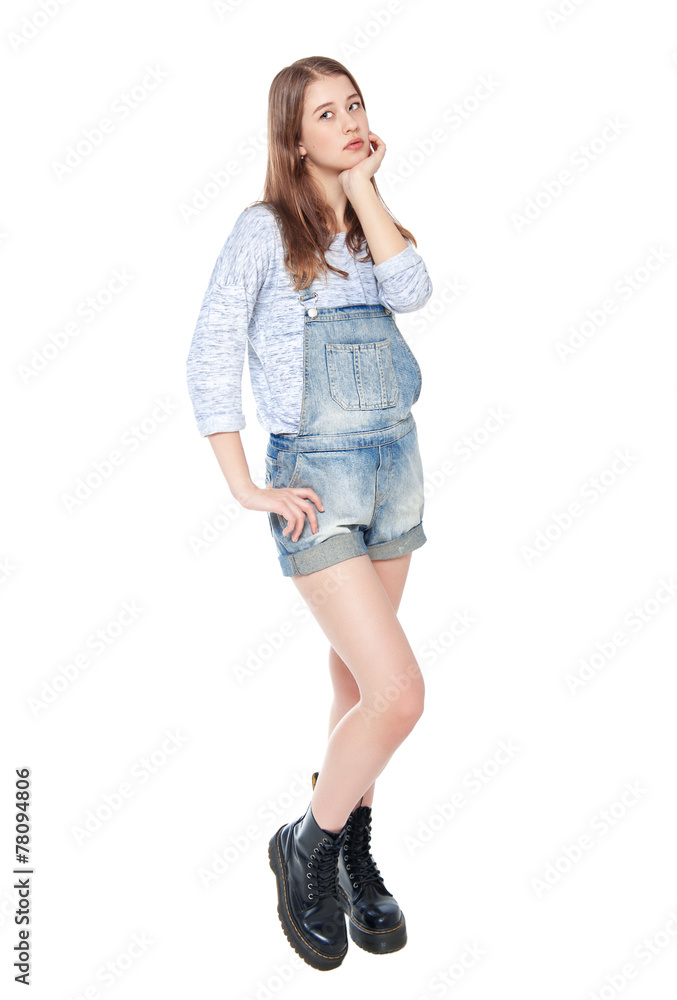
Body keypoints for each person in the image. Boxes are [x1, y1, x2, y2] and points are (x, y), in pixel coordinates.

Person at [186, 56, 433, 971]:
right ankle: (308, 842)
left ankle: (350, 849)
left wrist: (365, 186)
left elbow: (412, 292)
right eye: (326, 114)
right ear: (293, 139)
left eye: (355, 104)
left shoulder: (370, 228)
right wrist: (244, 484)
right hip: (316, 484)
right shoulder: (263, 230)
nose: (349, 120)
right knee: (400, 695)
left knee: (358, 686)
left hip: (394, 472)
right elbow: (211, 353)